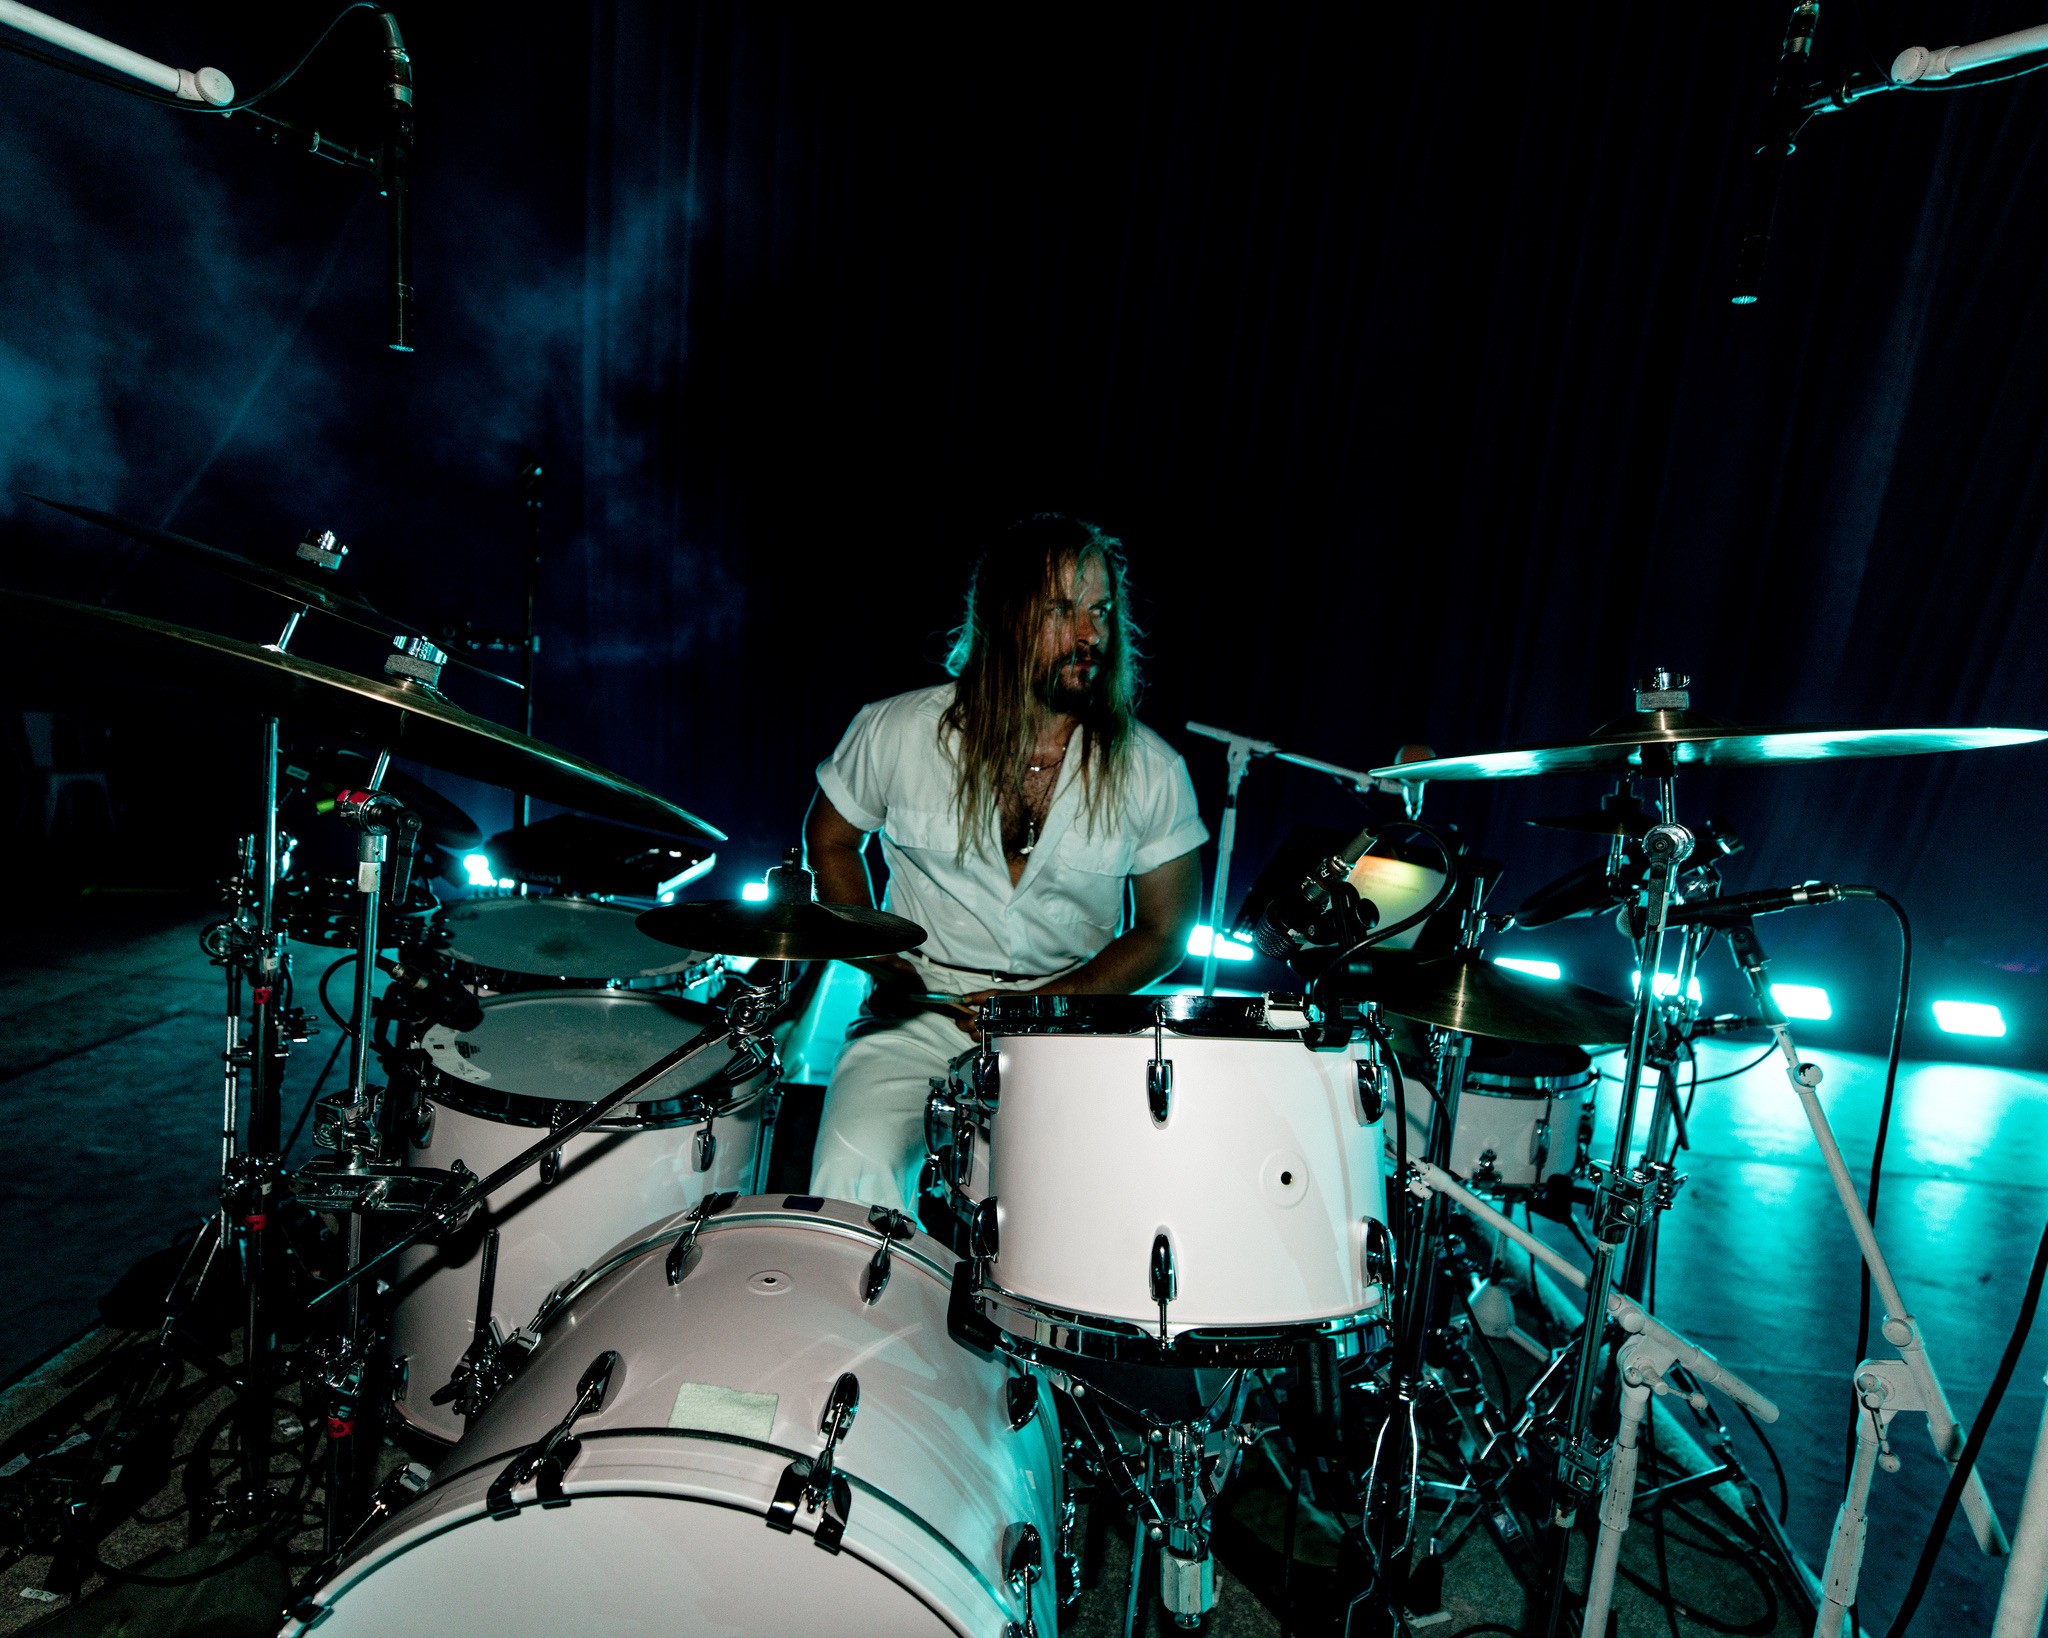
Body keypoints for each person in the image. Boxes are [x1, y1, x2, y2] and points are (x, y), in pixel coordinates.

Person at [804, 513, 1208, 1215]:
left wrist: (1057, 1003)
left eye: (1100, 611)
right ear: (1002, 619)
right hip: (921, 1013)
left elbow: (1168, 930)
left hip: (1068, 1029)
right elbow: (831, 837)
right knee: (851, 1165)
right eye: (1062, 611)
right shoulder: (898, 729)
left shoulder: (1151, 769)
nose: (1090, 635)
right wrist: (879, 961)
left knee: (1066, 1216)